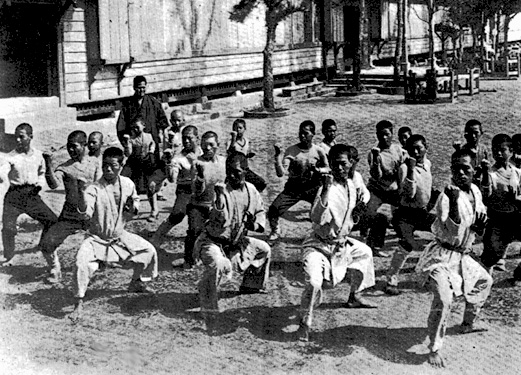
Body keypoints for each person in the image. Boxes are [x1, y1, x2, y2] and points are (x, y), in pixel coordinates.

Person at [415, 149, 491, 368]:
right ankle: (434, 348)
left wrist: (478, 228)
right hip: (440, 255)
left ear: (474, 170)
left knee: (485, 281)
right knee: (444, 298)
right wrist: (456, 201)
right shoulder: (447, 196)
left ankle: (468, 323)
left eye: (465, 168)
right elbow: (452, 229)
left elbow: (477, 224)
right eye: (455, 168)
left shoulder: (475, 191)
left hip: (460, 255)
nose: (460, 172)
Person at [68, 147, 158, 322]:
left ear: (122, 165)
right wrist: (80, 193)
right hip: (96, 239)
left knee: (149, 251)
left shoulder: (127, 184)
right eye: (105, 165)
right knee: (81, 264)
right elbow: (85, 213)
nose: (108, 169)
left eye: (112, 165)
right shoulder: (93, 188)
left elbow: (133, 209)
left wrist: (132, 206)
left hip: (119, 235)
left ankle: (136, 282)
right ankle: (78, 302)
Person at [297, 144, 376, 342]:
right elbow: (315, 216)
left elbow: (364, 196)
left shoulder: (351, 183)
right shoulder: (327, 188)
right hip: (318, 245)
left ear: (351, 164)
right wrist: (324, 188)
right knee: (314, 283)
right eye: (335, 164)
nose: (339, 168)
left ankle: (354, 296)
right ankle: (304, 323)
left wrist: (360, 207)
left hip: (340, 243)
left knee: (365, 253)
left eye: (343, 164)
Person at [193, 152, 271, 329]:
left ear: (246, 171)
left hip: (236, 243)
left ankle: (251, 285)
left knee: (264, 249)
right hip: (213, 242)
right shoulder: (220, 190)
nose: (232, 175)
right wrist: (220, 198)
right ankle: (209, 307)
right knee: (219, 265)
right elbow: (219, 219)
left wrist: (255, 224)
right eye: (229, 171)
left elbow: (260, 212)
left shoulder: (251, 190)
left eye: (237, 172)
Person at [41, 131, 102, 283]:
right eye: (69, 147)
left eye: (74, 147)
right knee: (47, 243)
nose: (71, 150)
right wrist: (48, 163)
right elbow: (53, 184)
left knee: (104, 239)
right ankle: (55, 270)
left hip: (92, 213)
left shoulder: (94, 163)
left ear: (84, 145)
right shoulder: (65, 168)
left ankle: (99, 264)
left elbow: (100, 187)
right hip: (70, 215)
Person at [0, 123, 58, 266]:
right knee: (8, 228)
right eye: (16, 138)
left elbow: (42, 172)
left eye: (21, 137)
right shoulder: (10, 157)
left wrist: (39, 184)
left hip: (32, 195)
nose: (18, 140)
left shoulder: (38, 155)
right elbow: (3, 173)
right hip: (14, 195)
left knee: (51, 220)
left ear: (30, 137)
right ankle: (9, 255)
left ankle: (43, 245)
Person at [384, 134, 435, 295]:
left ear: (426, 148)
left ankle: (428, 274)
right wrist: (411, 170)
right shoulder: (404, 168)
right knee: (406, 244)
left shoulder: (428, 163)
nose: (415, 152)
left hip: (422, 212)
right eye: (411, 149)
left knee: (440, 236)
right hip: (405, 213)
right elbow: (409, 193)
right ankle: (391, 278)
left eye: (418, 148)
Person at [267, 120, 329, 241]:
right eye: (300, 133)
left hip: (313, 188)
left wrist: (318, 170)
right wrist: (277, 157)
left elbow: (328, 168)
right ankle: (275, 230)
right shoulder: (291, 150)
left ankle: (323, 234)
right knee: (273, 210)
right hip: (293, 188)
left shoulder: (318, 151)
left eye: (306, 133)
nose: (302, 136)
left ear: (313, 134)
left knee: (325, 210)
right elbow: (281, 174)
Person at [151, 125, 201, 250]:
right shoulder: (179, 158)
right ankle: (156, 238)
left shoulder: (203, 152)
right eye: (184, 139)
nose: (187, 141)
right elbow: (172, 179)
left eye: (190, 138)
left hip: (202, 190)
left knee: (202, 219)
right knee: (177, 215)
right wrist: (169, 163)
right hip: (185, 190)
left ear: (197, 138)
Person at [361, 120, 406, 257]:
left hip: (393, 189)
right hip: (377, 189)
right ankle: (372, 243)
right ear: (376, 135)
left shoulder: (398, 150)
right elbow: (377, 175)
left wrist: (400, 188)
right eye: (380, 135)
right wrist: (375, 159)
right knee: (372, 214)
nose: (384, 138)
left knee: (405, 211)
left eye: (387, 134)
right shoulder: (374, 153)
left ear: (392, 134)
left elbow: (402, 170)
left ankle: (404, 236)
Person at [184, 131, 226, 269]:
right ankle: (189, 260)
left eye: (211, 145)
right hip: (199, 204)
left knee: (223, 231)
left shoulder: (224, 162)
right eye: (204, 145)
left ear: (218, 145)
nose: (207, 148)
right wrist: (201, 176)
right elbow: (196, 191)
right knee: (194, 230)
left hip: (217, 205)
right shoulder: (197, 163)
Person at [480, 134, 521, 273]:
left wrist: (516, 199)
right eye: (495, 149)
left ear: (511, 151)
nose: (498, 153)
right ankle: (481, 285)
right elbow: (486, 197)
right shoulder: (490, 174)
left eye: (502, 150)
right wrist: (485, 174)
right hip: (497, 219)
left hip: (514, 218)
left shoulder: (517, 172)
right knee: (491, 257)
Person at [116, 75, 169, 153]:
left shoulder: (153, 102)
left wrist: (160, 133)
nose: (141, 90)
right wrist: (126, 142)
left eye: (143, 87)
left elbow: (162, 120)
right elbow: (121, 125)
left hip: (152, 142)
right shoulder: (128, 105)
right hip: (135, 143)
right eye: (139, 87)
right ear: (134, 87)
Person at [121, 117, 157, 221]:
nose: (135, 130)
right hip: (134, 164)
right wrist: (127, 143)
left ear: (143, 126)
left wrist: (151, 151)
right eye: (133, 128)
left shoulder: (148, 136)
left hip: (146, 164)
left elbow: (153, 143)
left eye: (137, 127)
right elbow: (128, 153)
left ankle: (154, 210)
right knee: (130, 187)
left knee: (150, 186)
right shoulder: (132, 140)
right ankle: (132, 210)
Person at [226, 119, 266, 192]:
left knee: (262, 183)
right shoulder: (230, 141)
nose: (238, 130)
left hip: (245, 169)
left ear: (245, 129)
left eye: (240, 128)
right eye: (235, 128)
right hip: (234, 170)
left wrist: (249, 154)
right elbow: (229, 152)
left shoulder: (246, 141)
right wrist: (233, 139)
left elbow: (245, 154)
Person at [452, 119, 489, 187]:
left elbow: (486, 169)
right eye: (470, 133)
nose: (473, 136)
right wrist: (457, 151)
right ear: (466, 135)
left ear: (481, 133)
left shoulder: (483, 149)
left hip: (480, 183)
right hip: (467, 183)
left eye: (476, 133)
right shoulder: (463, 150)